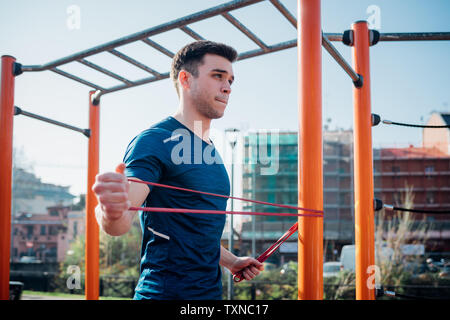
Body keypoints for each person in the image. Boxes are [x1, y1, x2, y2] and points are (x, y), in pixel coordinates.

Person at [92, 40, 264, 300]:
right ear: (185, 79)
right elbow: (119, 222)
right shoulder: (155, 140)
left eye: (230, 80)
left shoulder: (209, 149)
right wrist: (110, 211)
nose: (227, 87)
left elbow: (194, 231)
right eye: (218, 76)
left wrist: (230, 261)